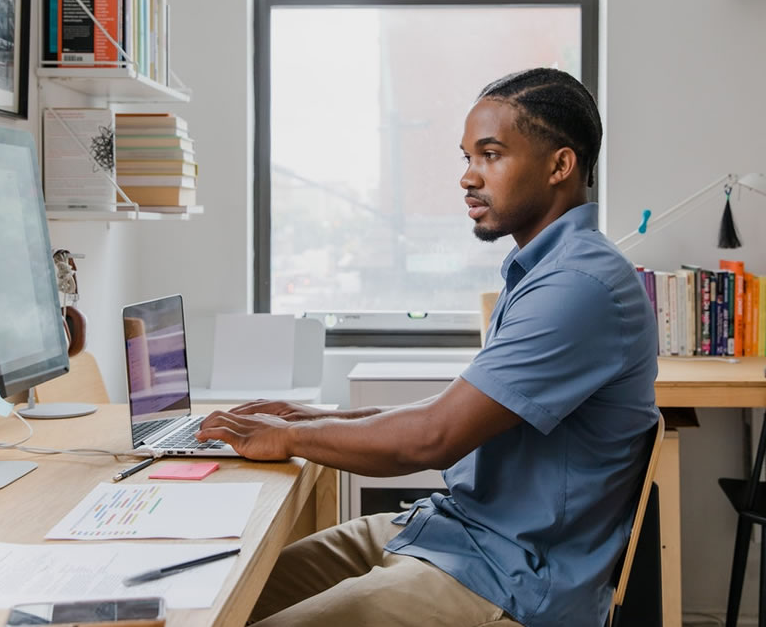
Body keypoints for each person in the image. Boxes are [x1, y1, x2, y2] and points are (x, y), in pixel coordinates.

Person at [196, 68, 660, 627]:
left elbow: (432, 440)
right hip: (451, 533)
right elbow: (446, 414)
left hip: (507, 578)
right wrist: (317, 418)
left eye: (490, 155)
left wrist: (291, 436)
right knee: (219, 597)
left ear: (560, 165)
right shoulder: (546, 270)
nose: (468, 177)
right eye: (466, 158)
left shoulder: (580, 286)